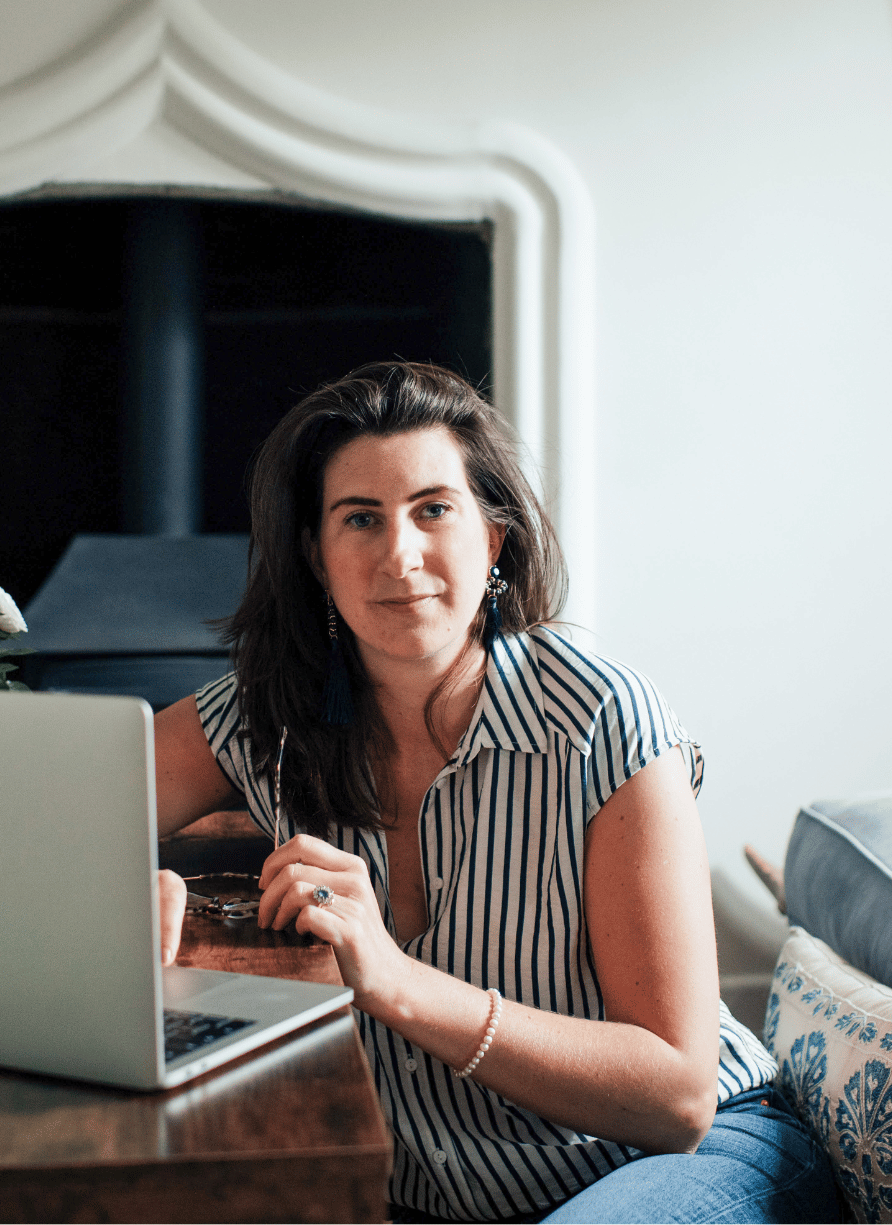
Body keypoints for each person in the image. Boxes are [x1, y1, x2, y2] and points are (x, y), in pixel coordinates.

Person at [153, 362, 838, 1222]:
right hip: (428, 1196)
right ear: (317, 558)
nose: (399, 554)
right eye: (359, 518)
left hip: (677, 1163)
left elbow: (676, 1094)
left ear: (495, 539)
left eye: (433, 509)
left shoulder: (602, 718)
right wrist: (118, 896)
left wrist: (397, 982)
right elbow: (46, 821)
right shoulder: (267, 716)